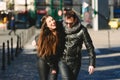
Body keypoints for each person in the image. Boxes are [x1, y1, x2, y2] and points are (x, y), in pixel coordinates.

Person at [58, 10, 96, 80]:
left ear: (75, 20)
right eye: (67, 23)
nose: (68, 25)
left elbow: (90, 47)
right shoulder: (61, 26)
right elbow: (48, 29)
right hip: (63, 60)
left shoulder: (82, 30)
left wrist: (92, 64)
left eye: (71, 23)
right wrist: (36, 39)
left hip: (75, 62)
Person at [32, 14, 65, 80]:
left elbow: (63, 22)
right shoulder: (44, 35)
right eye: (49, 21)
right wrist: (35, 41)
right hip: (43, 61)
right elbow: (38, 38)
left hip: (54, 62)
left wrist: (54, 67)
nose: (52, 22)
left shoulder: (59, 31)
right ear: (46, 25)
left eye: (53, 19)